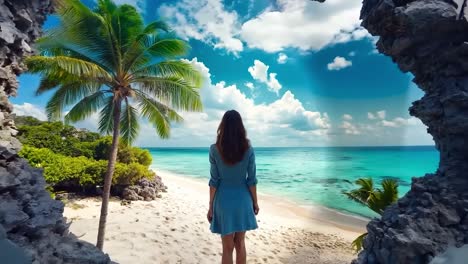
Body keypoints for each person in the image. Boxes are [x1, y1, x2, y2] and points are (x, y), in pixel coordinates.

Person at [207, 110, 259, 264]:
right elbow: (252, 180)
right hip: (243, 200)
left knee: (227, 247)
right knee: (240, 243)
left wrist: (210, 206)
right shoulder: (248, 149)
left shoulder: (214, 149)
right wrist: (255, 202)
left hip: (223, 201)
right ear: (240, 127)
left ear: (222, 126)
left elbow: (214, 181)